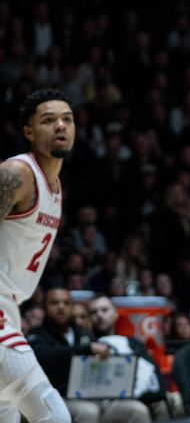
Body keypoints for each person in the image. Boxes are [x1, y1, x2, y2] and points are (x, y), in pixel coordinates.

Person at [0, 88, 75, 423]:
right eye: (48, 120)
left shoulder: (55, 187)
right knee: (53, 414)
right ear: (29, 132)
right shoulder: (16, 174)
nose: (60, 125)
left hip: (11, 306)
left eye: (67, 119)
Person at [28, 288, 148, 422]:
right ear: (44, 307)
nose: (61, 307)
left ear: (72, 307)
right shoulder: (37, 335)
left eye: (66, 303)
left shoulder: (82, 332)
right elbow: (45, 356)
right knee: (88, 411)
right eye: (54, 303)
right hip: (56, 398)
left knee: (137, 409)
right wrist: (86, 349)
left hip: (93, 396)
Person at [88, 294, 165, 421]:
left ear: (116, 313)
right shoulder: (86, 344)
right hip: (107, 401)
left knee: (172, 402)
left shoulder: (132, 342)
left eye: (104, 310)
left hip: (144, 393)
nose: (100, 315)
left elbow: (151, 371)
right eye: (94, 312)